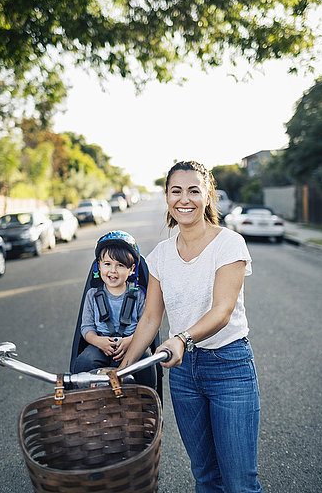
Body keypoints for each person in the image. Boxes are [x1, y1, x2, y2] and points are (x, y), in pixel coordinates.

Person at [121, 161, 263, 493]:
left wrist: (182, 338)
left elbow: (223, 310)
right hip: (183, 374)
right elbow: (151, 319)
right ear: (167, 198)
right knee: (205, 477)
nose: (185, 199)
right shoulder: (159, 256)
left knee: (240, 483)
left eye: (194, 190)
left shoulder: (229, 244)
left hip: (230, 367)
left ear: (207, 195)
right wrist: (122, 368)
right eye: (176, 191)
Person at [72, 230, 155, 388]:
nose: (113, 271)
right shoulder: (92, 295)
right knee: (84, 361)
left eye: (120, 265)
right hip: (101, 345)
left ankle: (147, 403)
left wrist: (131, 340)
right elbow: (87, 328)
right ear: (99, 266)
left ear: (131, 269)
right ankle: (83, 401)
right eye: (107, 264)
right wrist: (98, 341)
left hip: (132, 343)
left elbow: (147, 324)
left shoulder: (138, 296)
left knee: (146, 359)